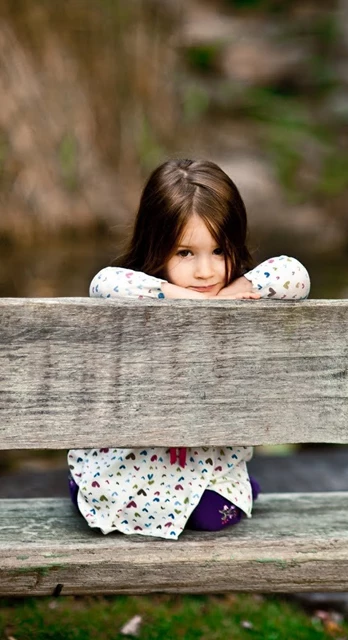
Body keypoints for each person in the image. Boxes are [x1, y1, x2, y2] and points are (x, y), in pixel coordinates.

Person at [68, 158, 310, 540]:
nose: (205, 271)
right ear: (156, 247)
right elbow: (104, 281)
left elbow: (293, 273)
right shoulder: (142, 296)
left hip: (203, 461)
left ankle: (225, 493)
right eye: (185, 253)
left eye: (219, 251)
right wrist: (178, 296)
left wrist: (232, 293)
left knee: (209, 515)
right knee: (205, 512)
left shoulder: (240, 295)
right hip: (136, 463)